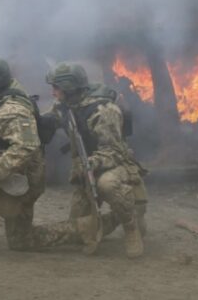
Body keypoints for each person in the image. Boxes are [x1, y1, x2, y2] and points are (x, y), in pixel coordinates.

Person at [0, 54, 100, 261]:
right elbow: (3, 139)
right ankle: (84, 228)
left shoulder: (10, 110)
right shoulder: (4, 93)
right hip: (24, 172)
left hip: (22, 178)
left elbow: (26, 147)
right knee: (21, 241)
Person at [43, 62, 148, 258]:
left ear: (68, 87)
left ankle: (130, 225)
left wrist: (92, 163)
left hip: (116, 164)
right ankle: (112, 220)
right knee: (79, 228)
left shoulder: (103, 110)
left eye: (56, 87)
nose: (52, 92)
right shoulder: (66, 105)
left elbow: (114, 151)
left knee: (106, 184)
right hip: (87, 168)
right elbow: (51, 118)